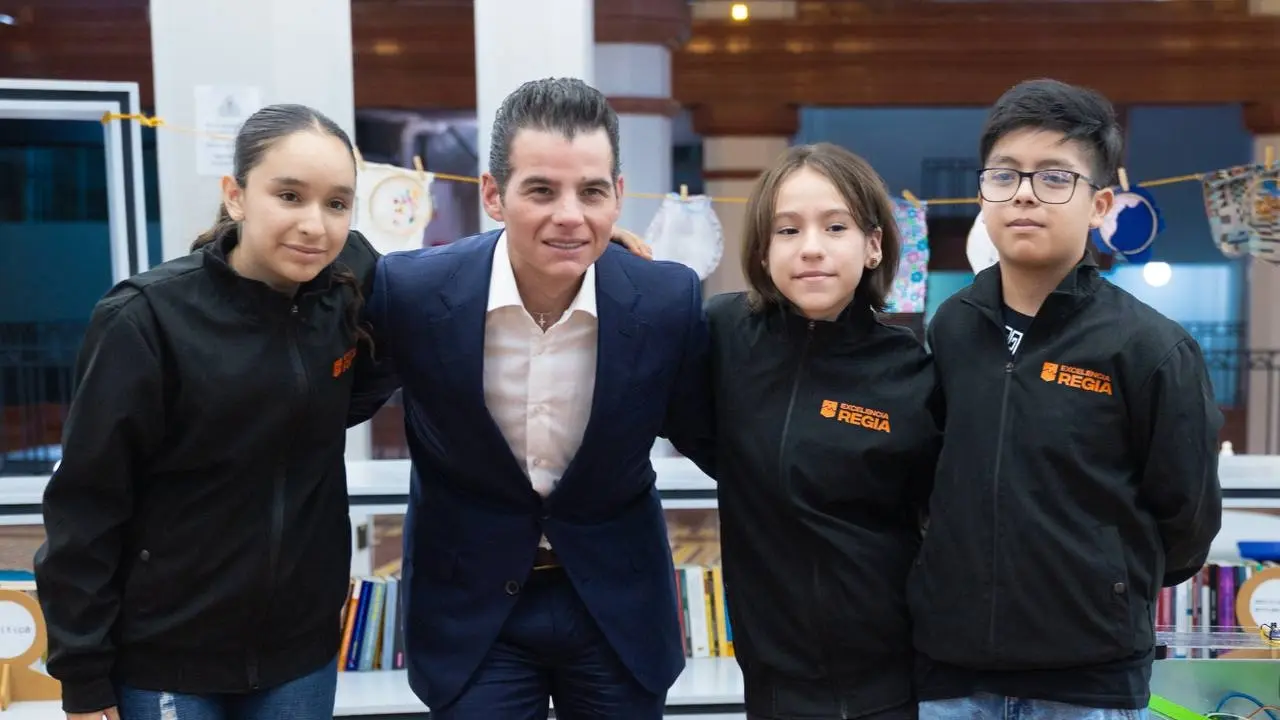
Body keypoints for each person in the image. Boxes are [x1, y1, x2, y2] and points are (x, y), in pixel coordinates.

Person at [32, 103, 400, 720]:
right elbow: (85, 508)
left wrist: (596, 255)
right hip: (165, 658)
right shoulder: (145, 320)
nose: (315, 224)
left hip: (299, 657)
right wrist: (84, 679)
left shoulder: (349, 284)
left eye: (337, 203)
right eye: (289, 195)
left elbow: (454, 283)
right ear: (236, 196)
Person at [364, 77, 710, 719]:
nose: (570, 215)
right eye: (542, 190)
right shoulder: (411, 294)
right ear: (494, 195)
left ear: (618, 197)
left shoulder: (666, 302)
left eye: (592, 191)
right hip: (472, 615)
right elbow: (329, 398)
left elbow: (719, 437)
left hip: (616, 608)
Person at [910, 78, 1223, 719]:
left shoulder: (1150, 347)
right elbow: (926, 480)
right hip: (950, 675)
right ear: (983, 193)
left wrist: (1101, 585)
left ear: (1100, 202)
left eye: (1055, 177)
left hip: (1090, 684)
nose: (1024, 194)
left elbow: (1187, 523)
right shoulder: (951, 327)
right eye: (1006, 176)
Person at [691, 142, 940, 720]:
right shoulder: (722, 334)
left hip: (896, 681)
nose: (811, 249)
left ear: (873, 245)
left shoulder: (913, 370)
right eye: (786, 230)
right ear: (763, 248)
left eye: (835, 227)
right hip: (774, 684)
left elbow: (943, 519)